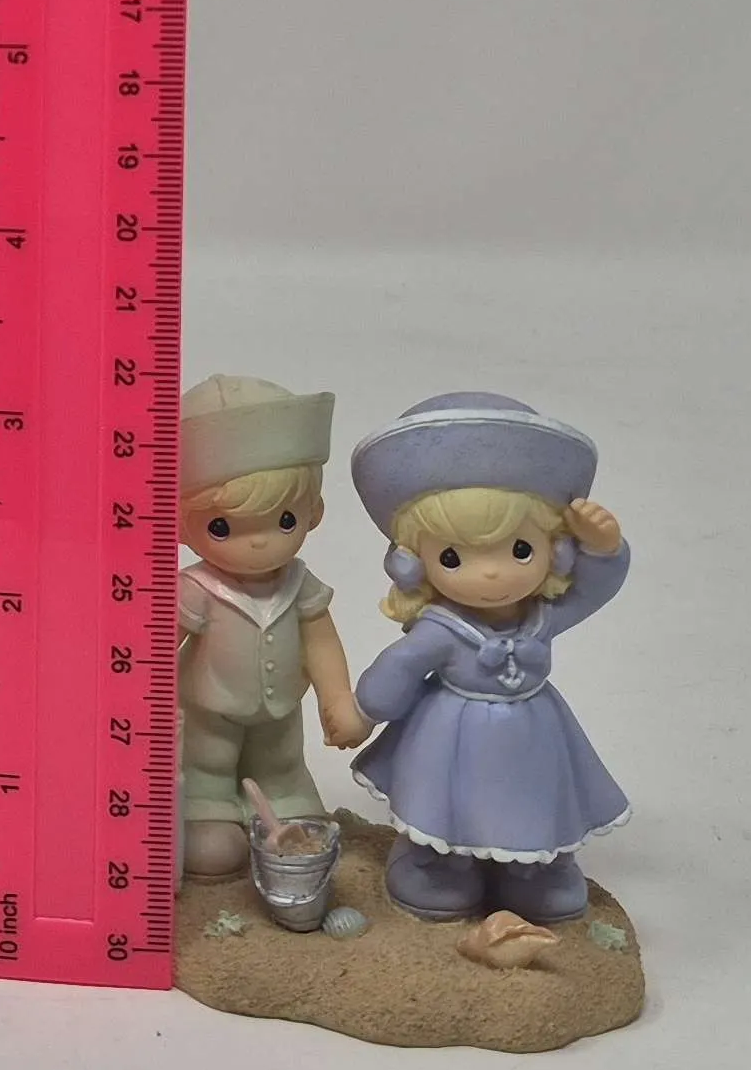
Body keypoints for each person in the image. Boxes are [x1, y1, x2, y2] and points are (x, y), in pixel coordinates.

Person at [346, 391, 632, 923]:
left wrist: (605, 548)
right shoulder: (440, 630)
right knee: (445, 801)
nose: (493, 573)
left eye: (520, 549)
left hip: (532, 733)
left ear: (555, 549)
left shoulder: (543, 617)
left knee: (530, 796)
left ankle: (534, 867)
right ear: (414, 564)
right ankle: (437, 863)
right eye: (453, 557)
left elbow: (594, 590)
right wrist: (363, 711)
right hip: (450, 736)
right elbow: (399, 666)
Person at [173, 374, 364, 877]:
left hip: (280, 715)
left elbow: (321, 642)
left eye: (284, 520)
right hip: (207, 714)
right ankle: (207, 810)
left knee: (282, 765)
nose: (259, 542)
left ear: (314, 512)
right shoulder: (194, 588)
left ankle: (285, 798)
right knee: (208, 777)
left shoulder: (299, 584)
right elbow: (154, 647)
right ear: (181, 526)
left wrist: (337, 700)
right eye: (222, 527)